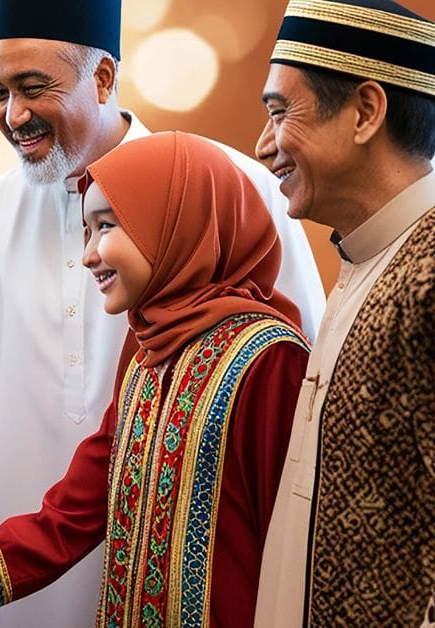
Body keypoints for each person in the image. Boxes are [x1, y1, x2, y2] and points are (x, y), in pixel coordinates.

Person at [0, 1, 328, 625]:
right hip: (16, 557)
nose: (13, 115)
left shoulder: (226, 186)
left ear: (102, 78)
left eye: (33, 87)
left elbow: (304, 401)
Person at [250, 1, 435, 624]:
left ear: (365, 112)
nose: (264, 144)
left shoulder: (427, 276)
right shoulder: (369, 258)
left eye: (280, 112)